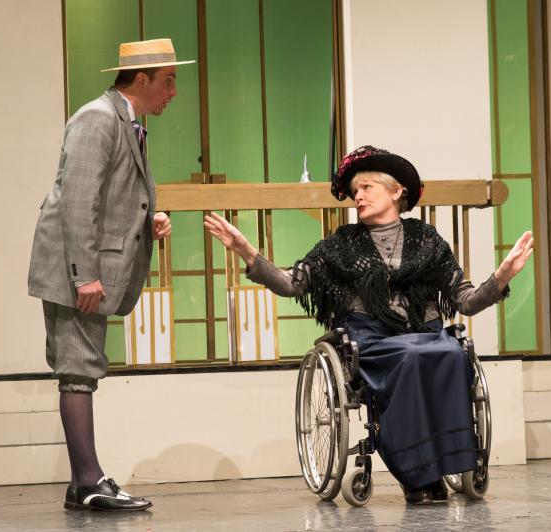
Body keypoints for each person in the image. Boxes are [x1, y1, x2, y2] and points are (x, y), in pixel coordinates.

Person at [205, 145, 533, 504]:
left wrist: (500, 278)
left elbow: (465, 301)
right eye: (354, 191)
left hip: (425, 333)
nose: (358, 196)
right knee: (411, 357)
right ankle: (416, 472)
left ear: (396, 192)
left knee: (453, 354)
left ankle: (446, 462)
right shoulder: (342, 244)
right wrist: (247, 253)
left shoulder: (427, 240)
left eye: (367, 187)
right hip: (372, 340)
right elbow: (291, 284)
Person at [28, 38, 194, 511]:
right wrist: (84, 275)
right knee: (77, 369)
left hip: (88, 265)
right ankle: (88, 482)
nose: (174, 92)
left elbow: (112, 193)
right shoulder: (98, 118)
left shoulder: (128, 122)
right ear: (141, 79)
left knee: (82, 368)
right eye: (168, 81)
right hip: (75, 268)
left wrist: (149, 219)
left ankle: (85, 481)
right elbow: (78, 201)